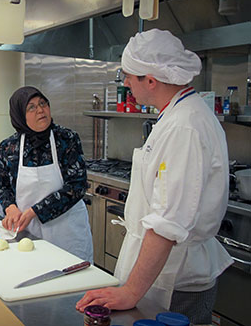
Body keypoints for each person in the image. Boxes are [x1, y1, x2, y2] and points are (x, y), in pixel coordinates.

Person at [76, 29, 233, 324]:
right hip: (161, 273)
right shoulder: (176, 115)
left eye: (129, 77)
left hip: (176, 281)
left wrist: (131, 292)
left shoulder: (184, 126)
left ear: (150, 80)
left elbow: (168, 222)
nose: (125, 84)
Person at [0, 86, 93, 262]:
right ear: (19, 115)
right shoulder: (9, 147)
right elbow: (2, 185)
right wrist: (10, 208)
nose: (40, 110)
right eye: (31, 107)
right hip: (28, 232)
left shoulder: (66, 139)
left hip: (67, 232)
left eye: (43, 103)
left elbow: (77, 186)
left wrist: (35, 211)